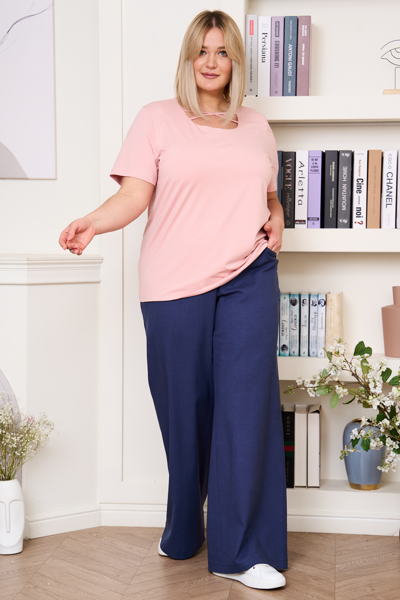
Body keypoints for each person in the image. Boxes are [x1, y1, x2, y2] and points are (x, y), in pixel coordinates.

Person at [59, 9, 288, 591]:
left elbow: (267, 194)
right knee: (184, 414)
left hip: (248, 275)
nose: (212, 62)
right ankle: (184, 526)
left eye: (223, 51)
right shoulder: (156, 119)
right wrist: (92, 222)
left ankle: (243, 552)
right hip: (173, 284)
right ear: (188, 58)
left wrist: (277, 216)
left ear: (236, 61)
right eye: (202, 51)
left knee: (245, 409)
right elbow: (135, 196)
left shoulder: (257, 126)